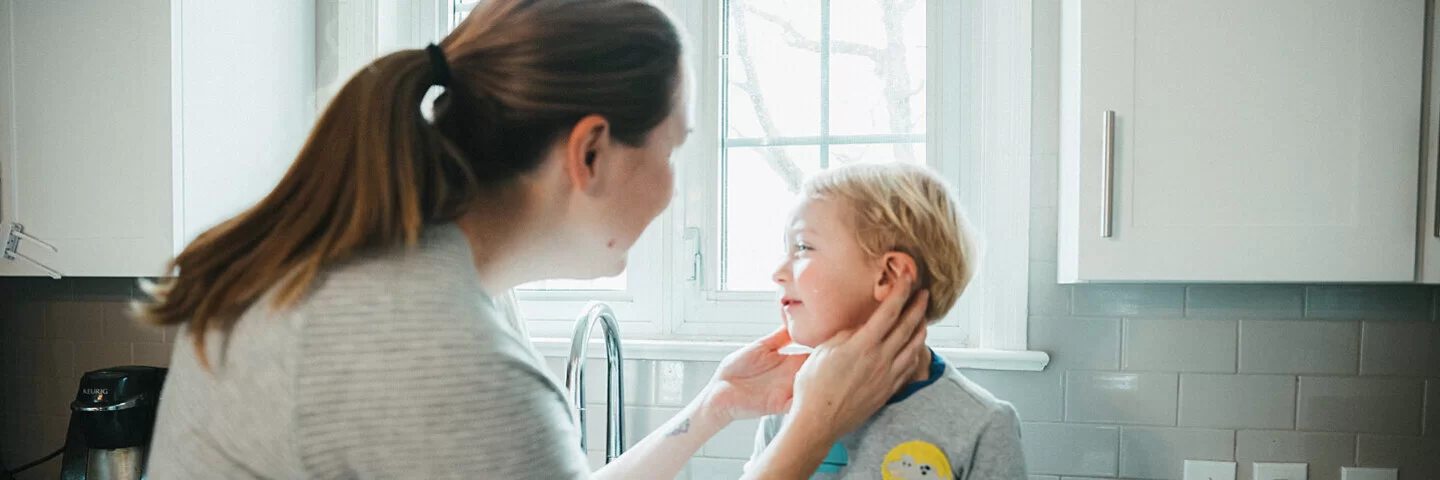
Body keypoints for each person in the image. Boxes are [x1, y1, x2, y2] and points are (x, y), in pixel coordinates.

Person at [139, 0, 931, 478]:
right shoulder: (448, 354)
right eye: (671, 150)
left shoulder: (401, 277)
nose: (673, 185)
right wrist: (811, 432)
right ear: (589, 153)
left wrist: (715, 408)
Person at [750, 163, 1026, 479]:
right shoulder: (793, 403)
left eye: (802, 247)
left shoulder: (982, 424)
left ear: (888, 274)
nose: (778, 272)